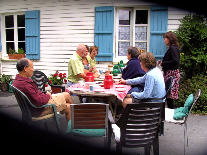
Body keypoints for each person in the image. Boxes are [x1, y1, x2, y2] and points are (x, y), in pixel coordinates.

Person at [157, 31, 180, 109]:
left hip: (172, 74)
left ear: (169, 39)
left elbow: (175, 61)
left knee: (169, 96)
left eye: (165, 39)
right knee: (168, 97)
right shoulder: (173, 48)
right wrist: (163, 62)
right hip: (170, 73)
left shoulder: (173, 48)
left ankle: (171, 112)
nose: (164, 41)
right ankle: (170, 112)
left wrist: (163, 64)